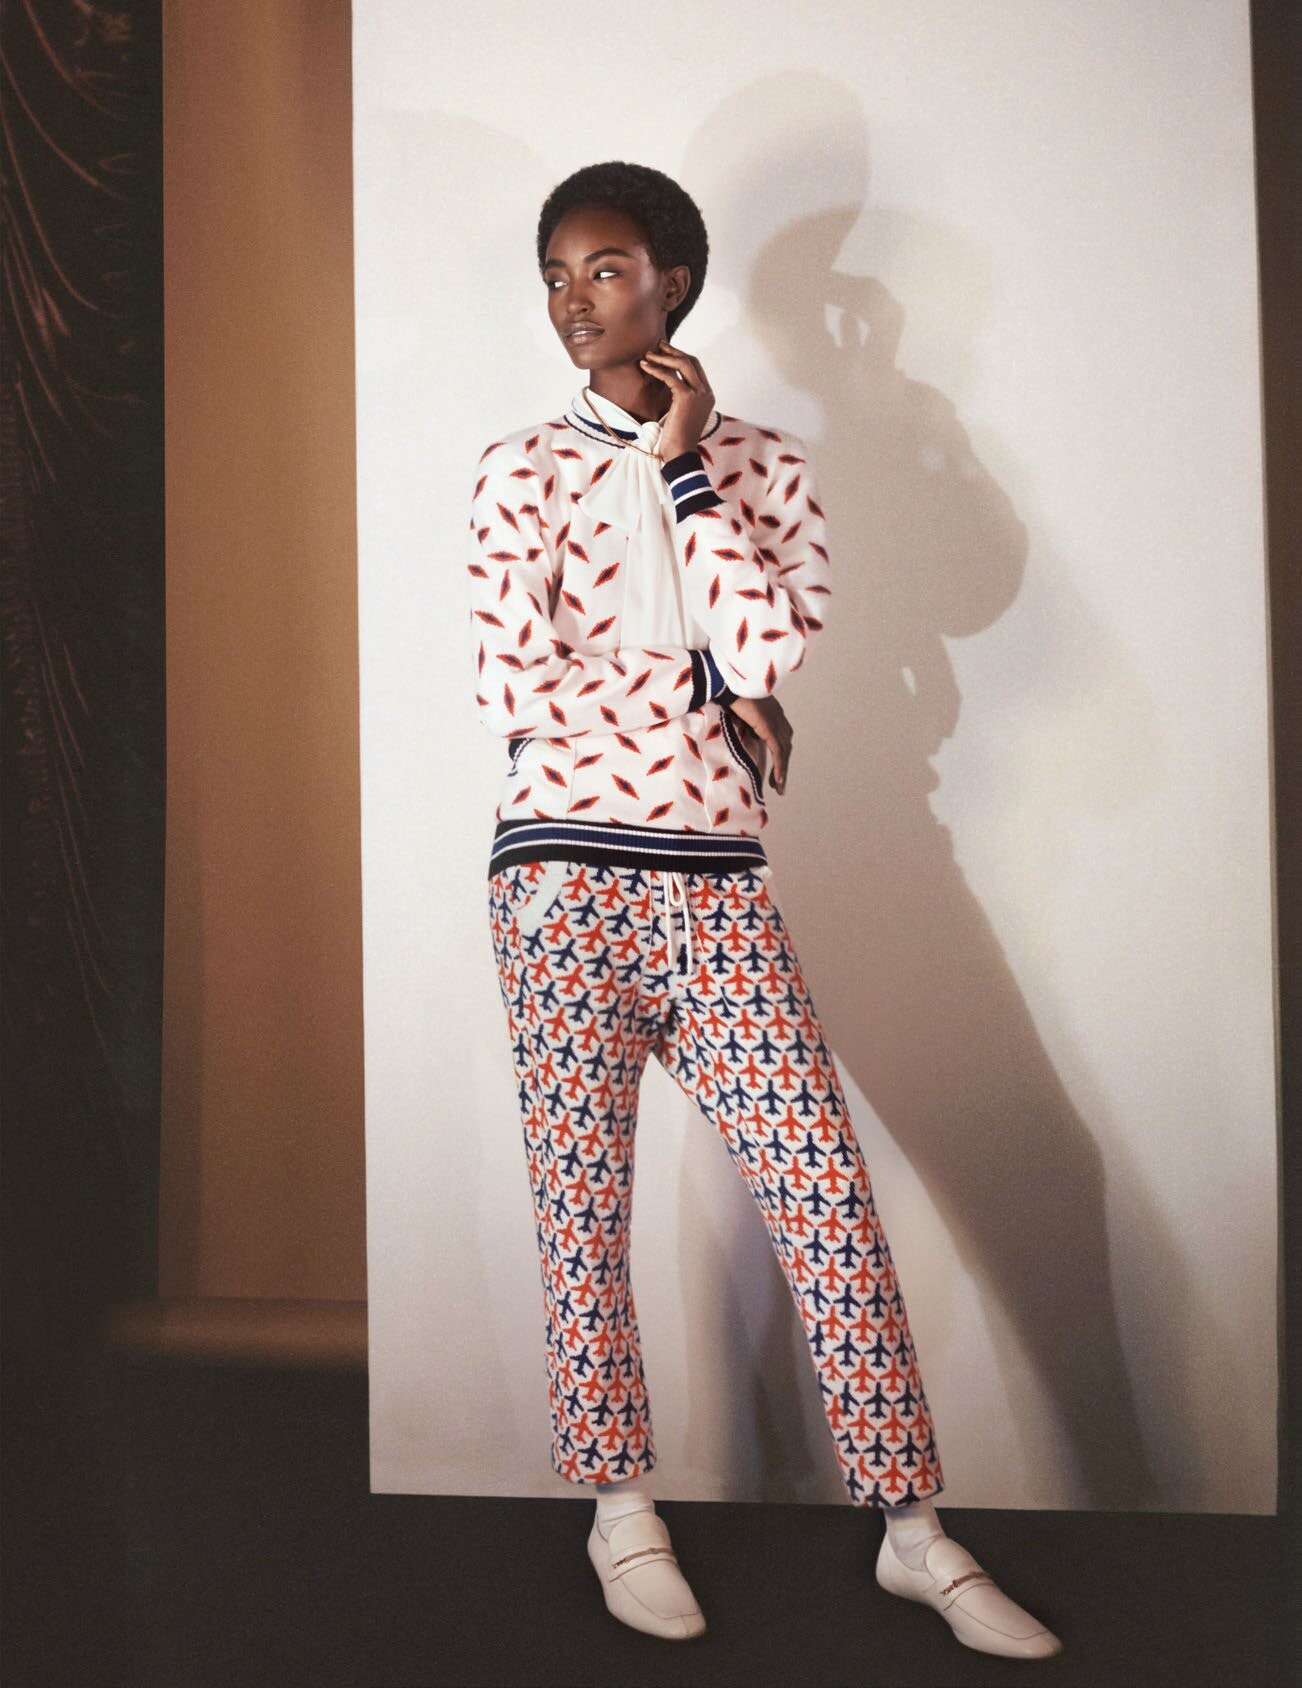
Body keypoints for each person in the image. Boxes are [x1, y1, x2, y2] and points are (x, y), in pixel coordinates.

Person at [466, 159, 1062, 1661]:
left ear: (672, 279)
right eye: (556, 274)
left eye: (606, 269)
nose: (574, 301)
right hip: (559, 883)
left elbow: (771, 647)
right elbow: (510, 686)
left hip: (720, 889)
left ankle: (913, 1536)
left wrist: (684, 477)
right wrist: (700, 693)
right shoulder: (516, 470)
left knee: (828, 1205)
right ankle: (619, 1509)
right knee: (581, 1215)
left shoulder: (766, 466)